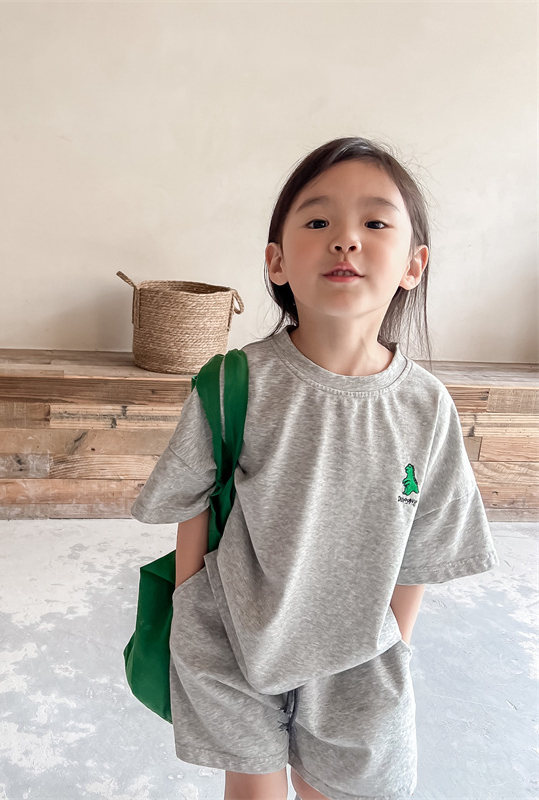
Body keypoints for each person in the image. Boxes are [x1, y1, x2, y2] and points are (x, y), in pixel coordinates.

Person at [130, 137, 500, 800]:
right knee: (254, 790)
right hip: (233, 643)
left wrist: (389, 643)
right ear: (276, 261)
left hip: (362, 660)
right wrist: (193, 620)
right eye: (319, 220)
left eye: (376, 222)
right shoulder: (233, 382)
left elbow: (425, 547)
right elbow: (192, 504)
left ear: (414, 264)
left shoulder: (426, 407)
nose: (346, 239)